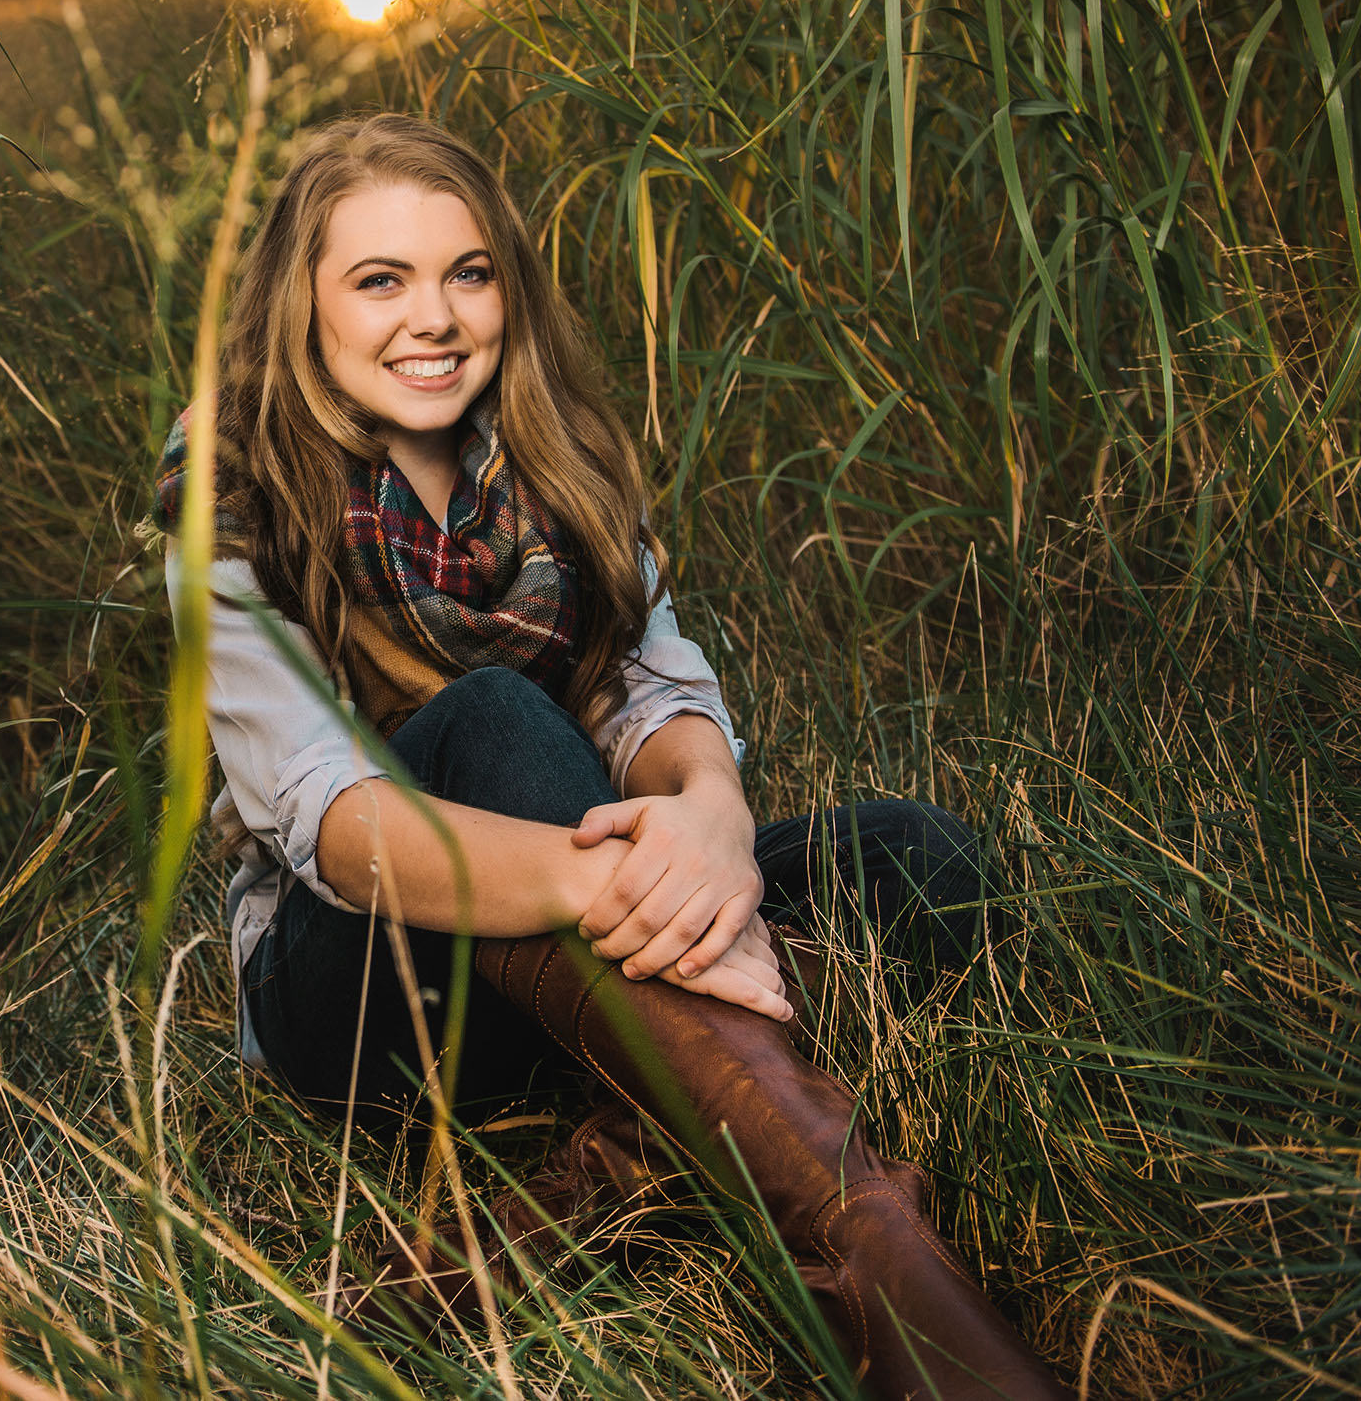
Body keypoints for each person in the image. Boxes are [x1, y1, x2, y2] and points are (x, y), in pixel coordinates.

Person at [153, 114, 1072, 1401]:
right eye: (380, 280)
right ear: (301, 302)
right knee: (494, 723)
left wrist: (708, 815)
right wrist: (627, 889)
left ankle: (615, 1164)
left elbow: (655, 688)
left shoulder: (552, 455)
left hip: (561, 946)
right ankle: (879, 1257)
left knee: (918, 862)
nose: (435, 316)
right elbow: (338, 823)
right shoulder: (232, 498)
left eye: (467, 273)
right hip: (365, 992)